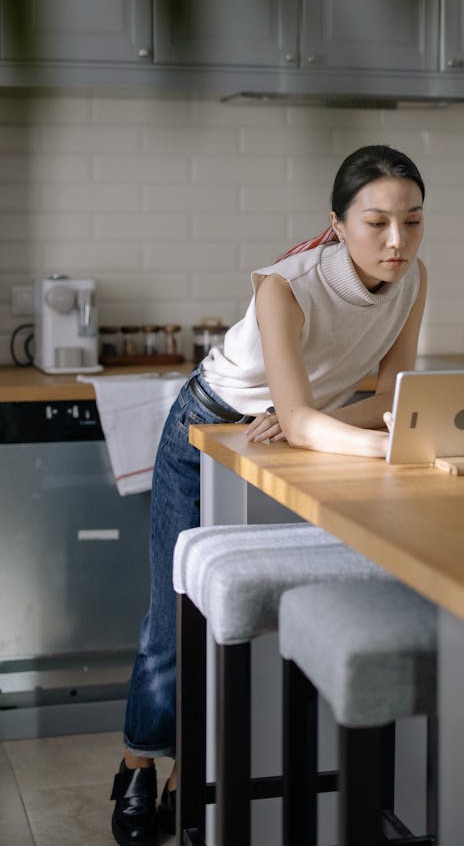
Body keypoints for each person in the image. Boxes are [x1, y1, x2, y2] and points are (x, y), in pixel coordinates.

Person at [110, 143, 427, 845]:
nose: (397, 240)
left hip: (297, 436)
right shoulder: (285, 285)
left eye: (412, 220)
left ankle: (191, 777)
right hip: (208, 430)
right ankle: (137, 758)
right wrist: (392, 441)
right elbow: (353, 418)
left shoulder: (413, 279)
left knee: (252, 615)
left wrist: (317, 424)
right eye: (377, 222)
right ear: (339, 224)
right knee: (174, 617)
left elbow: (386, 396)